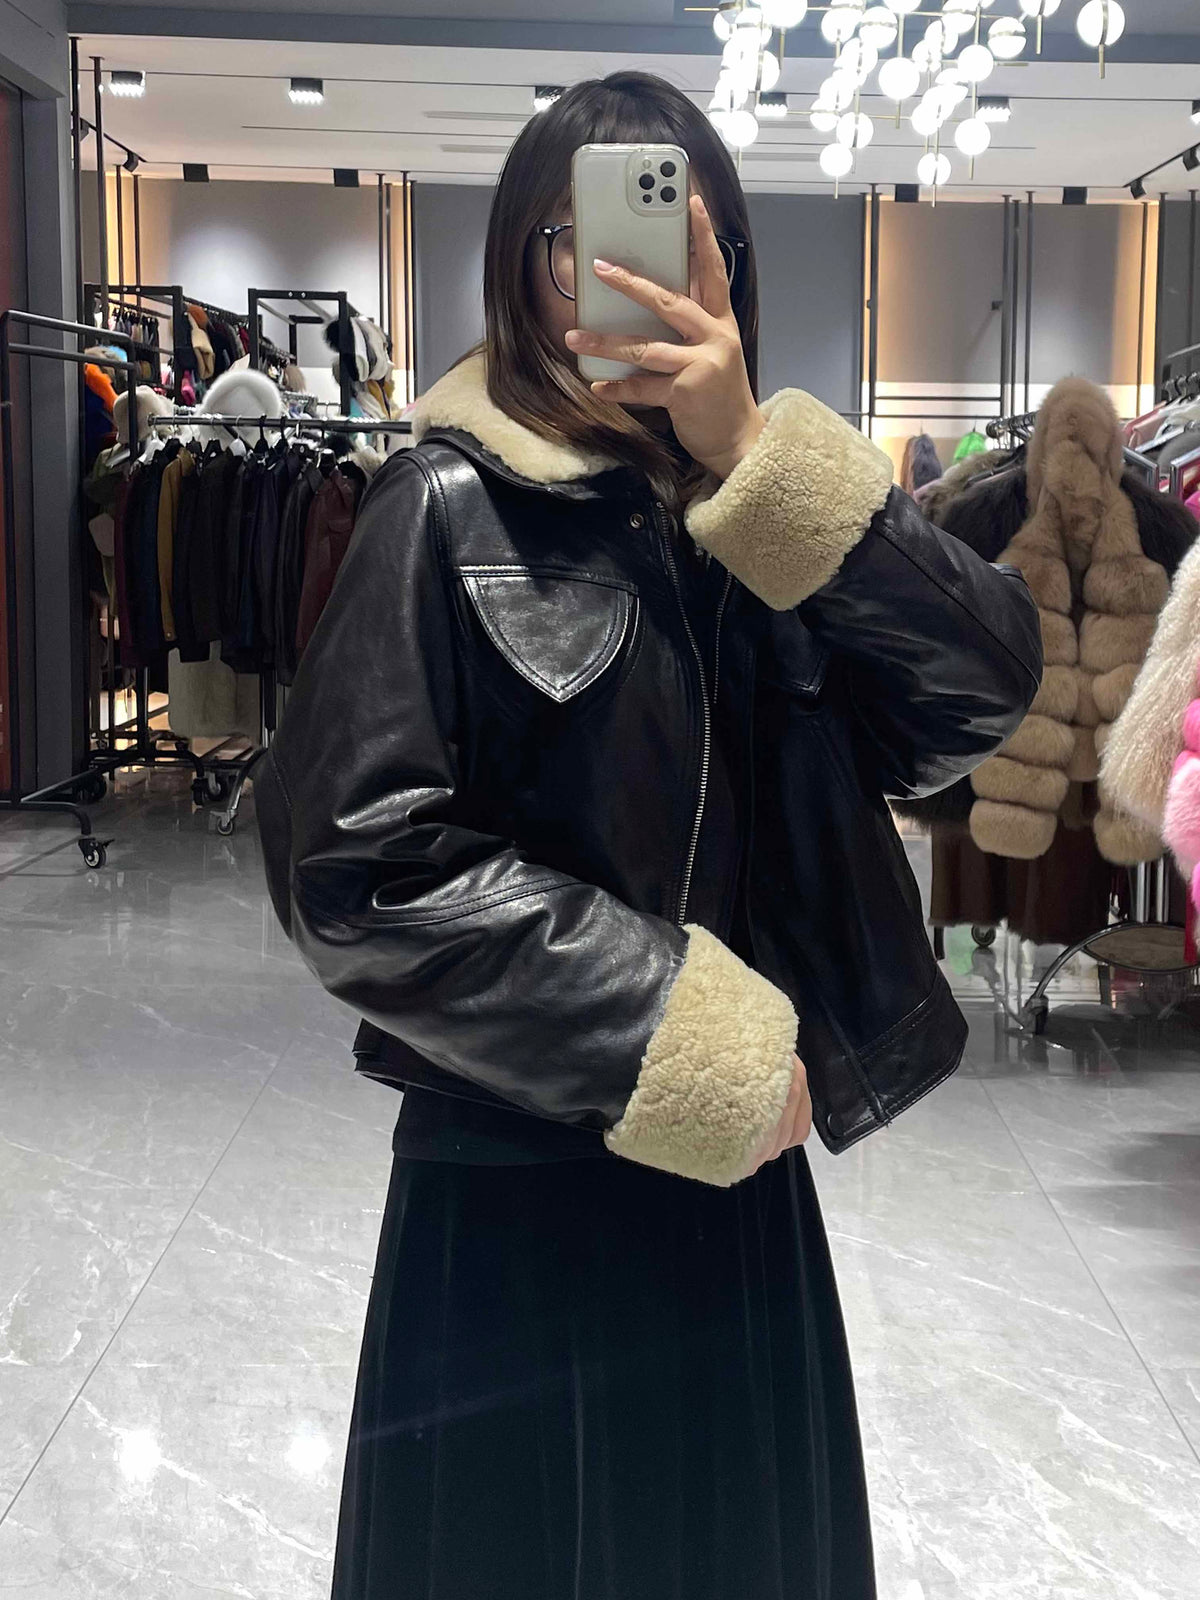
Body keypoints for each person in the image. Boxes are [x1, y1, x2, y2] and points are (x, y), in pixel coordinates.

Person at [255, 71, 1041, 1600]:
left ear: (730, 271)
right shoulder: (442, 505)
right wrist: (679, 1033)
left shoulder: (761, 525)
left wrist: (756, 455)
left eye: (691, 244)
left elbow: (981, 694)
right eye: (584, 244)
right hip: (513, 1184)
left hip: (734, 1181)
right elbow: (352, 865)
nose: (633, 279)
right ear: (524, 267)